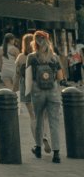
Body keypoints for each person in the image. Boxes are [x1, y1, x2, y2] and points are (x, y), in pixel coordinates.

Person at [26, 31, 63, 163]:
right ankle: (57, 153)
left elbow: (28, 78)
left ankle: (38, 148)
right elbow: (60, 77)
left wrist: (27, 93)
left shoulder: (31, 57)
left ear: (34, 42)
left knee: (39, 120)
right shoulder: (54, 57)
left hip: (37, 91)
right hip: (52, 91)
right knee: (54, 122)